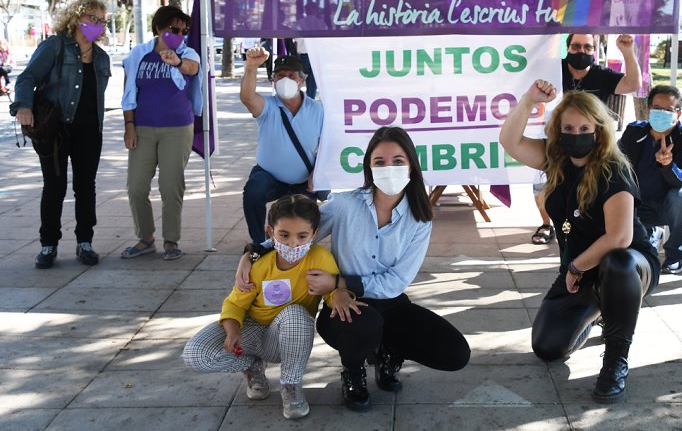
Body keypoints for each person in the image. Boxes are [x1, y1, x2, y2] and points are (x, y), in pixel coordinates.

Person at [235, 126, 471, 412]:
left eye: (398, 161)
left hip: (389, 303)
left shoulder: (419, 218)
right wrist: (255, 251)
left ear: (411, 166)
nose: (389, 168)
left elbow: (397, 282)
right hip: (342, 308)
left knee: (455, 353)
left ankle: (389, 350)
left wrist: (338, 281)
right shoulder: (346, 204)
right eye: (380, 162)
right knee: (365, 324)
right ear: (369, 168)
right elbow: (299, 231)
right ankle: (353, 370)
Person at [500, 84, 659, 403]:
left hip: (630, 265)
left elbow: (620, 238)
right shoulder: (555, 159)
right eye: (568, 128)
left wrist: (574, 267)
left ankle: (616, 359)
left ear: (599, 130)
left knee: (618, 261)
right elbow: (510, 141)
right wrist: (529, 100)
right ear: (558, 131)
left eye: (585, 128)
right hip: (581, 271)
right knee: (547, 348)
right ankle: (601, 307)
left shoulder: (614, 169)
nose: (577, 134)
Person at [183, 195, 355, 420]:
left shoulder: (320, 258)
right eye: (284, 235)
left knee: (295, 313)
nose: (292, 243)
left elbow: (332, 291)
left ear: (314, 235)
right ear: (270, 232)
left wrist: (340, 293)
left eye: (302, 236)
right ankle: (252, 366)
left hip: (285, 336)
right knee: (195, 355)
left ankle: (291, 385)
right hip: (250, 329)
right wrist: (233, 329)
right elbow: (234, 304)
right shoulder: (258, 263)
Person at [11, 0, 111, 269]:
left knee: (85, 187)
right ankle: (48, 244)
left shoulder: (102, 57)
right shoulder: (55, 47)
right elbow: (27, 78)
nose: (98, 25)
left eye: (102, 20)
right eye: (93, 18)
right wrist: (24, 106)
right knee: (54, 187)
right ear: (76, 18)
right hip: (56, 130)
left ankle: (85, 242)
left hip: (90, 131)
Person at [530, 33, 642, 246]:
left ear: (594, 50)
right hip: (555, 141)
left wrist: (628, 52)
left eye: (587, 48)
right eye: (576, 47)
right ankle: (547, 224)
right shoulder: (553, 70)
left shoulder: (602, 75)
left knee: (590, 189)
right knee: (542, 187)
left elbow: (632, 84)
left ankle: (587, 228)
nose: (581, 52)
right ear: (567, 48)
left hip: (592, 145)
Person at [120, 6, 201, 261]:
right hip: (142, 128)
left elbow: (192, 68)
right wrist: (129, 126)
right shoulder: (139, 55)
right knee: (136, 186)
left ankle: (171, 241)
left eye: (183, 31)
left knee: (170, 186)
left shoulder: (187, 53)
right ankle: (145, 238)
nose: (179, 34)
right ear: (158, 28)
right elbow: (128, 92)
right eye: (173, 29)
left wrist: (176, 61)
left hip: (177, 129)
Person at [240, 46, 323, 245]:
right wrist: (251, 68)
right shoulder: (268, 106)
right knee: (253, 192)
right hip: (269, 176)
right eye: (279, 75)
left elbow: (329, 145)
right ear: (273, 80)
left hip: (304, 180)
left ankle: (301, 245)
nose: (285, 79)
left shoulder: (318, 109)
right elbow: (247, 97)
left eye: (291, 75)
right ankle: (260, 243)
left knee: (303, 216)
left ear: (302, 79)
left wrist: (318, 173)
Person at [619, 85, 682, 274]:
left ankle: (675, 257)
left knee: (681, 197)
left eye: (668, 110)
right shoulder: (634, 132)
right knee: (636, 256)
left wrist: (668, 165)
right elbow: (619, 167)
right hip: (638, 202)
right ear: (648, 109)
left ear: (678, 114)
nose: (661, 113)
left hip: (669, 204)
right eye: (656, 108)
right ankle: (651, 234)